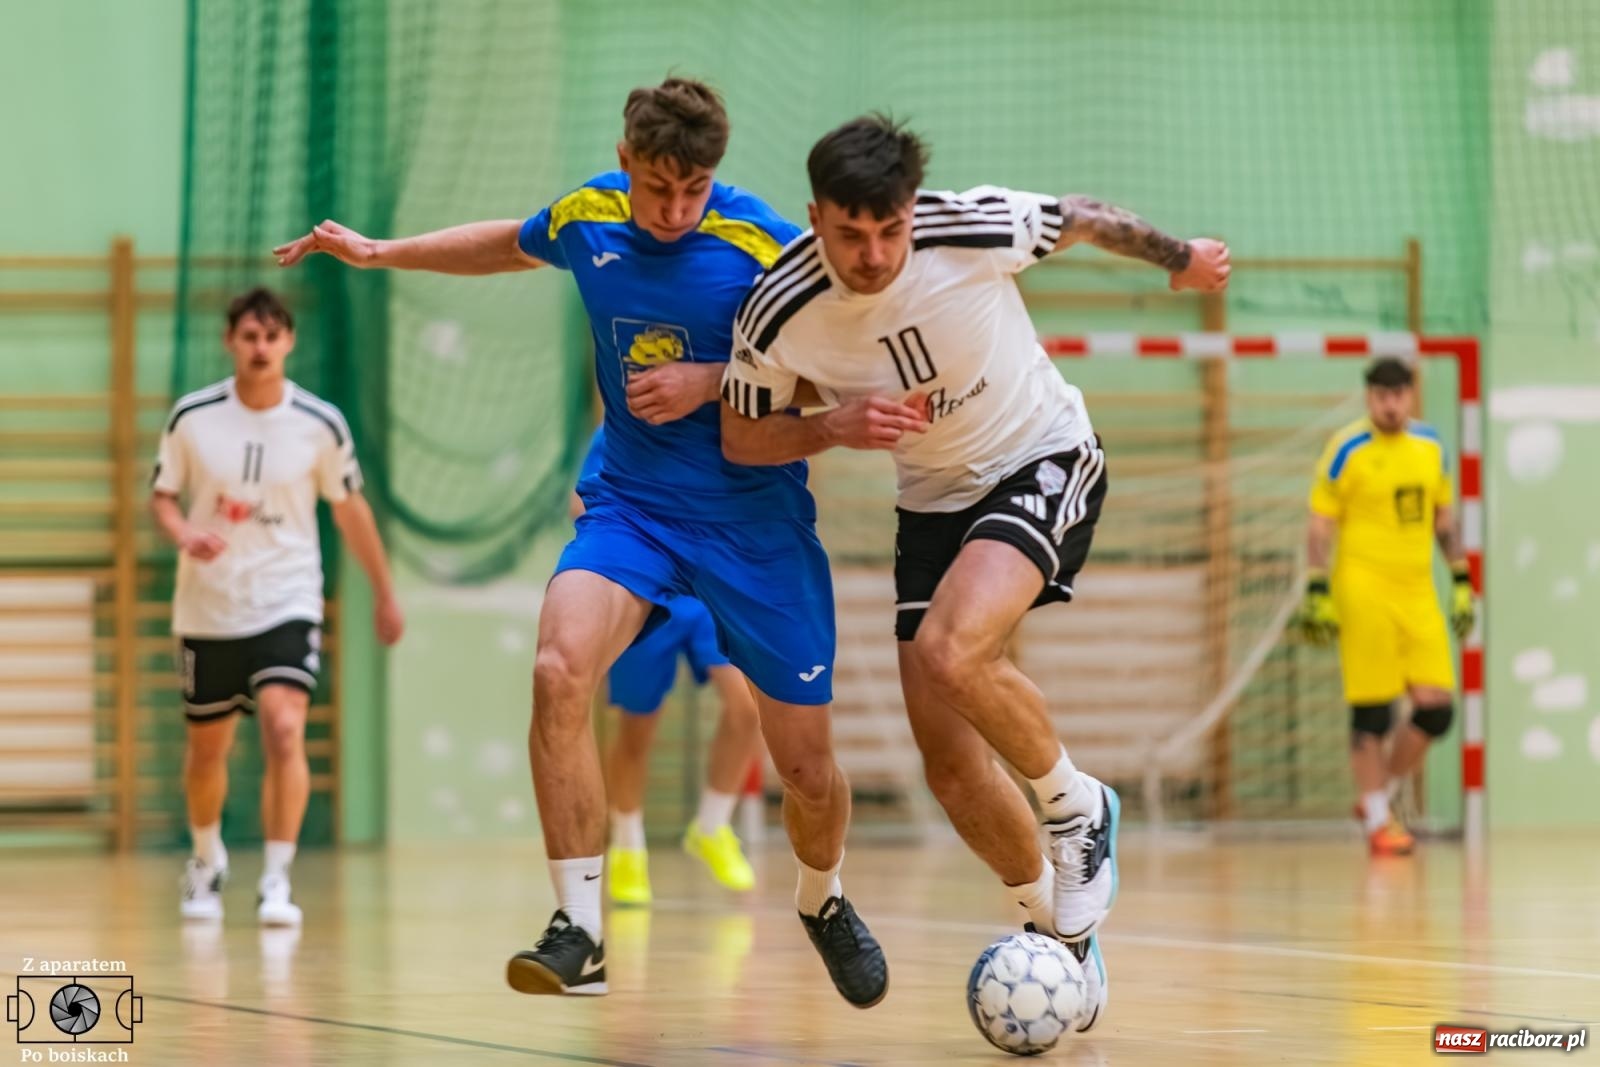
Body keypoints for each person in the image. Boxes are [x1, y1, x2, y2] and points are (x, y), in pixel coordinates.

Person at [274, 78, 887, 1004]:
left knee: (805, 765)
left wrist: (710, 379)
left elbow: (835, 379)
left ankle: (824, 896)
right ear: (626, 159)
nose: (675, 210)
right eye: (657, 188)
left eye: (694, 190)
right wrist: (376, 252)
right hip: (632, 507)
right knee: (560, 667)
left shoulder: (764, 243)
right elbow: (508, 243)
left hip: (753, 522)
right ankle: (581, 927)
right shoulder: (589, 215)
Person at [719, 114, 1230, 1031]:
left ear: (912, 210)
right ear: (814, 217)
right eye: (849, 234)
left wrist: (1176, 255)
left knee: (956, 649)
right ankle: (1059, 940)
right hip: (932, 499)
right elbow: (740, 434)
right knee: (950, 767)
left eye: (890, 230)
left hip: (1042, 452)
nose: (872, 254)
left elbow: (1082, 216)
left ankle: (1080, 806)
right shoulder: (779, 307)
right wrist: (830, 427)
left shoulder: (971, 224)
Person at [150, 287, 404, 926]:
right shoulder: (192, 417)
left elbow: (350, 510)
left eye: (272, 336)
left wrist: (384, 592)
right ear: (229, 342)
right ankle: (207, 860)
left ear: (289, 342)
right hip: (209, 606)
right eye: (248, 336)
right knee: (209, 750)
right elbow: (163, 496)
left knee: (285, 727)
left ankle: (276, 880)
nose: (260, 348)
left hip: (288, 596)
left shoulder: (320, 424)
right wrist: (186, 535)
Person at [571, 427, 763, 904]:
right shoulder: (621, 431)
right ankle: (629, 848)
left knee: (748, 707)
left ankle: (713, 826)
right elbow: (582, 503)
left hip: (707, 593)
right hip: (644, 591)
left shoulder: (724, 426)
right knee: (637, 730)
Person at [1296, 356, 1475, 856]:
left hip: (1418, 590)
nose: (1389, 404)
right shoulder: (1346, 449)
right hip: (1363, 588)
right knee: (1373, 712)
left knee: (1436, 710)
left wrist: (1462, 578)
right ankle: (1378, 819)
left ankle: (1380, 796)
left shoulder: (1430, 445)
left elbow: (1444, 518)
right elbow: (1319, 525)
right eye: (1380, 395)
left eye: (1397, 395)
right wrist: (1316, 586)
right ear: (1369, 396)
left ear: (1410, 395)